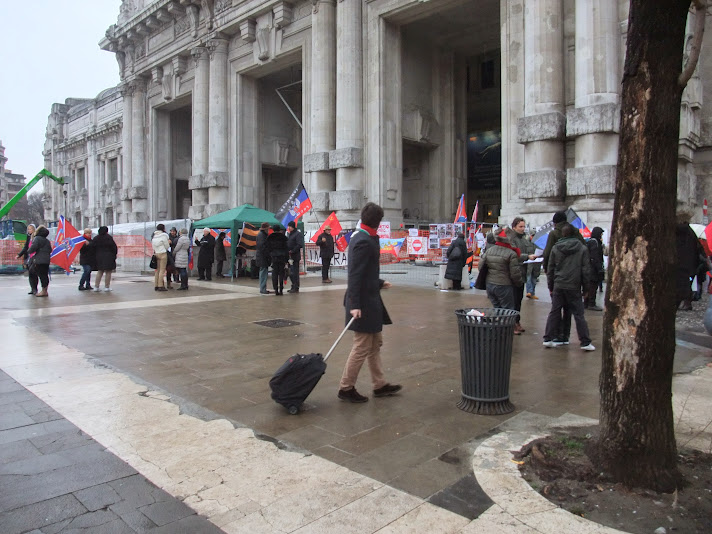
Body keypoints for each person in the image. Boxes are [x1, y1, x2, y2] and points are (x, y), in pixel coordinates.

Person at [338, 202, 401, 403]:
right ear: (377, 222)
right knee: (362, 346)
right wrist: (355, 304)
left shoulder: (365, 237)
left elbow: (365, 273)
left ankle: (380, 384)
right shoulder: (363, 240)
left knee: (375, 343)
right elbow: (355, 275)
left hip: (370, 300)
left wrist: (380, 282)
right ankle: (346, 388)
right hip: (362, 304)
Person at [543, 223, 595, 351]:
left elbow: (551, 269)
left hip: (559, 284)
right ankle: (585, 341)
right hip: (574, 284)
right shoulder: (582, 248)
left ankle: (548, 338)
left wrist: (551, 285)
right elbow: (586, 270)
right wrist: (586, 288)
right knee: (578, 314)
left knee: (555, 311)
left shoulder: (556, 248)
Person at [478, 229, 523, 312]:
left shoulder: (489, 250)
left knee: (497, 308)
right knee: (507, 310)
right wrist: (519, 283)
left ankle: (497, 324)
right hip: (504, 285)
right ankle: (505, 325)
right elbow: (515, 273)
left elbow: (480, 266)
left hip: (490, 285)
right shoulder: (511, 253)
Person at [509, 217, 537, 334]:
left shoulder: (524, 239)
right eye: (520, 226)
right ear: (514, 227)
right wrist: (527, 256)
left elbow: (528, 249)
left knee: (519, 299)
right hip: (514, 272)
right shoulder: (512, 239)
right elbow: (514, 254)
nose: (523, 229)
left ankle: (517, 321)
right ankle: (512, 323)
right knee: (514, 300)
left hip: (522, 272)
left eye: (524, 226)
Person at [675, 218, 703, 310]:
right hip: (689, 264)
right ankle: (686, 301)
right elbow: (698, 248)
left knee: (677, 281)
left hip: (676, 262)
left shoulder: (673, 234)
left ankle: (678, 301)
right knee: (687, 282)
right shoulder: (690, 233)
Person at [27, 225, 52, 297]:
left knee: (35, 273)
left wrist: (29, 251)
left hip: (39, 260)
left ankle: (40, 290)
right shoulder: (47, 240)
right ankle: (45, 290)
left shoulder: (37, 238)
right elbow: (50, 250)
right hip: (46, 260)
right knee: (44, 275)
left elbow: (33, 247)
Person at [585, 227, 605, 310]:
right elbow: (595, 257)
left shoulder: (591, 241)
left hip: (589, 268)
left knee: (589, 286)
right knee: (593, 286)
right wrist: (599, 268)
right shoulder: (595, 242)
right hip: (593, 269)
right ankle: (591, 303)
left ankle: (586, 303)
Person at [93, 226, 118, 292]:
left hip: (99, 257)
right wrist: (114, 255)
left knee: (100, 271)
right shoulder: (109, 238)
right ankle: (107, 287)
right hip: (108, 257)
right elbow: (114, 247)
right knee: (108, 272)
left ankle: (96, 286)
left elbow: (92, 247)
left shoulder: (96, 238)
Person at [267, 224, 289, 295]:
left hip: (274, 257)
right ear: (279, 229)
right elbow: (286, 248)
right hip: (282, 257)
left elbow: (268, 248)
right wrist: (287, 259)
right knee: (281, 273)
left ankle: (276, 289)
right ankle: (281, 289)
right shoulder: (283, 237)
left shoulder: (270, 237)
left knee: (275, 273)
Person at [17, 224, 36, 294]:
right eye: (28, 229)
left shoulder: (36, 237)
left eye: (30, 229)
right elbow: (25, 247)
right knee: (30, 274)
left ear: (34, 229)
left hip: (34, 257)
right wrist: (19, 254)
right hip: (28, 257)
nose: (29, 230)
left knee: (34, 273)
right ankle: (32, 288)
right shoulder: (28, 237)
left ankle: (35, 289)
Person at [152, 224, 171, 291]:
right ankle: (161, 285)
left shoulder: (154, 236)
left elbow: (153, 246)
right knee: (162, 270)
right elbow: (167, 246)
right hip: (163, 253)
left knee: (157, 270)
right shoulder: (163, 236)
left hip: (156, 253)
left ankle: (156, 285)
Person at [287, 220, 304, 293]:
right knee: (290, 272)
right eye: (288, 226)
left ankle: (296, 286)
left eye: (290, 226)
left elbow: (299, 244)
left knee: (294, 272)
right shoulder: (290, 234)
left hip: (295, 256)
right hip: (290, 256)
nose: (289, 228)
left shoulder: (298, 234)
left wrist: (292, 251)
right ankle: (293, 285)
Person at [255, 222, 272, 294]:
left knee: (263, 272)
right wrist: (268, 254)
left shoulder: (261, 235)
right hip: (263, 257)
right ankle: (262, 289)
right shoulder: (262, 236)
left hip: (261, 256)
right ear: (266, 229)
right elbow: (263, 247)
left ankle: (263, 288)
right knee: (263, 273)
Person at [525, 229, 541, 300]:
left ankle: (532, 293)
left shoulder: (539, 243)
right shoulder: (526, 243)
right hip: (529, 263)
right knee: (528, 278)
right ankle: (529, 292)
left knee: (534, 279)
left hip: (537, 263)